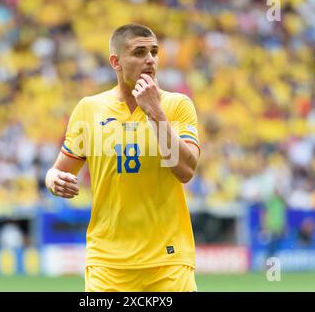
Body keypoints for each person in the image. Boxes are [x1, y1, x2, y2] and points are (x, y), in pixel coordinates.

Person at [45, 24, 200, 292]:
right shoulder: (89, 109)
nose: (150, 59)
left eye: (154, 52)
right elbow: (56, 171)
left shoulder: (177, 105)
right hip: (107, 263)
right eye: (139, 52)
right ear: (116, 62)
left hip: (168, 261)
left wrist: (156, 114)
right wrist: (53, 180)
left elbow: (186, 170)